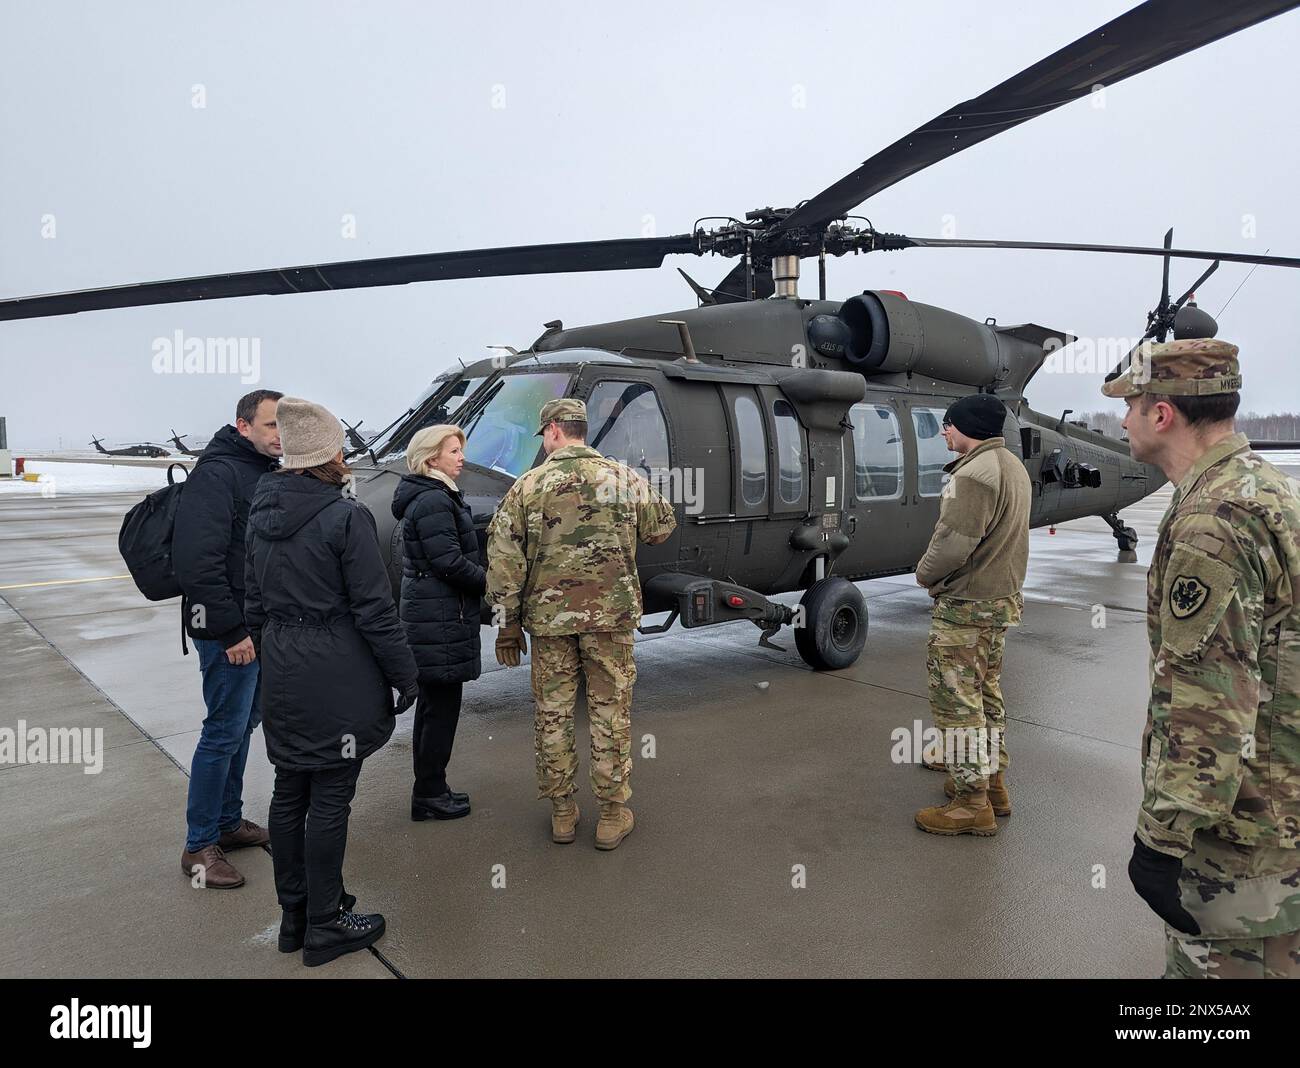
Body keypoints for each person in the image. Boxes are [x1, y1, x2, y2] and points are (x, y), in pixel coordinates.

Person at [1102, 338, 1300, 979]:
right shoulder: (1269, 490)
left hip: (1240, 850)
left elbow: (1208, 704)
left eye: (1131, 405)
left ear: (1162, 415)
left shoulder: (1212, 520)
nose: (1122, 419)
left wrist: (1160, 839)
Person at [244, 397, 419, 967]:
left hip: (285, 669)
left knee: (289, 790)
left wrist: (277, 654)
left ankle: (295, 916)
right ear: (330, 455)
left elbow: (254, 604)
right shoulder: (346, 517)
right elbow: (374, 609)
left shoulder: (261, 510)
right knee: (331, 800)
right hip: (335, 668)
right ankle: (327, 922)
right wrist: (405, 674)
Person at [486, 398, 675, 850]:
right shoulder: (623, 478)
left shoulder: (528, 485)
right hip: (611, 618)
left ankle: (563, 814)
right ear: (580, 429)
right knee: (610, 712)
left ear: (553, 430)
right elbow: (662, 525)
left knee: (554, 715)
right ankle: (611, 814)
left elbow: (503, 560)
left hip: (550, 622)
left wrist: (507, 625)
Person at [174, 389, 283, 889]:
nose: (279, 435)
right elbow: (198, 563)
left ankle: (228, 822)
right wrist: (231, 631)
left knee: (242, 725)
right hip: (228, 632)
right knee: (222, 730)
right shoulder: (217, 473)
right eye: (270, 426)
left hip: (252, 627)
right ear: (243, 426)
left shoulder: (259, 470)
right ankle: (199, 846)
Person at [912, 393, 1029, 837]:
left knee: (956, 703)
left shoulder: (973, 475)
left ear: (967, 428)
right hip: (999, 601)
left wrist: (924, 574)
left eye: (948, 424)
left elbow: (953, 543)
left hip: (966, 606)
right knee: (986, 695)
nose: (944, 431)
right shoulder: (1010, 466)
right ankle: (993, 784)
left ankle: (969, 803)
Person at [391, 424, 485, 821]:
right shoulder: (433, 501)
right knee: (440, 710)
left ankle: (431, 787)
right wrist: (489, 582)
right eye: (453, 451)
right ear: (432, 458)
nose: (461, 457)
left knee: (433, 709)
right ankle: (429, 794)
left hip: (434, 618)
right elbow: (448, 562)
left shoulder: (432, 494)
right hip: (440, 621)